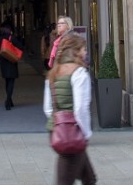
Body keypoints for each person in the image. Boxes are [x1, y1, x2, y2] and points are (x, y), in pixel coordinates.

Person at [44, 33, 96, 185]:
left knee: (89, 178)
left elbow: (47, 108)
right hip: (73, 132)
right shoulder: (80, 73)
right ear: (75, 51)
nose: (86, 52)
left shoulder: (53, 73)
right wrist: (86, 133)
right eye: (83, 49)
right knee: (65, 181)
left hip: (56, 130)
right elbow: (81, 108)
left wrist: (59, 123)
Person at [0, 21, 22, 110]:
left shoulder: (0, 38)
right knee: (11, 82)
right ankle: (8, 101)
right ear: (10, 30)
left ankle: (10, 100)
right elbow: (21, 47)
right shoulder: (13, 38)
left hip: (3, 62)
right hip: (12, 61)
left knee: (7, 81)